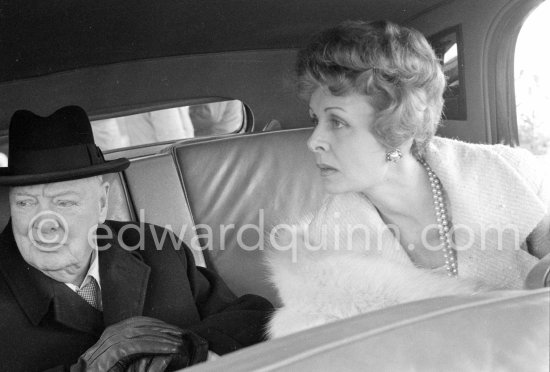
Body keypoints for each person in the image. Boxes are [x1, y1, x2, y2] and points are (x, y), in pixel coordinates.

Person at [266, 20, 550, 337]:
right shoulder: (323, 253)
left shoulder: (504, 174)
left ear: (397, 125)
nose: (313, 140)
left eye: (337, 121)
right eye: (315, 119)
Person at [0, 106, 273, 371]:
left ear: (102, 202)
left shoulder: (155, 246)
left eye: (64, 203)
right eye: (25, 203)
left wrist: (191, 349)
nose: (45, 223)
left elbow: (252, 317)